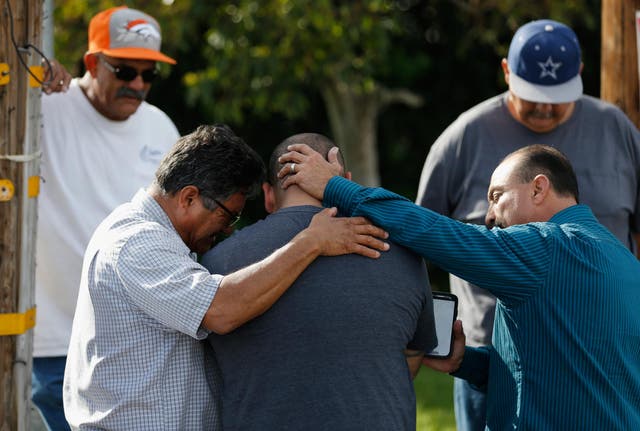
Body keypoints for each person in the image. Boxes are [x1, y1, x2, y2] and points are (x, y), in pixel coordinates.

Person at [277, 143, 640, 430]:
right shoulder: (624, 261)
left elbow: (439, 234)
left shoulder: (546, 247)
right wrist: (466, 363)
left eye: (497, 196)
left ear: (539, 188)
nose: (489, 215)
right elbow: (569, 370)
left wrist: (336, 187)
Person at [63, 124, 389, 429]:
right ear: (189, 197)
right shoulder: (138, 244)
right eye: (227, 215)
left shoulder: (150, 233)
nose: (229, 229)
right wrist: (311, 241)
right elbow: (221, 310)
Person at [414, 18, 640, 431]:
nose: (543, 107)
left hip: (600, 360)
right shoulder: (462, 137)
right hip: (488, 350)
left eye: (556, 96)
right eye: (532, 94)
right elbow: (429, 234)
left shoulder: (618, 130)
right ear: (505, 72)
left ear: (580, 75)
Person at [200, 133, 437, 430]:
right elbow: (413, 353)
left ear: (268, 194)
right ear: (346, 181)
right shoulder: (400, 254)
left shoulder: (218, 264)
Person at [33, 6, 180, 430]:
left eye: (148, 75)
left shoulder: (161, 129)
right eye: (124, 70)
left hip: (132, 344)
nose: (137, 85)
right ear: (92, 63)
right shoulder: (39, 108)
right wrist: (23, 83)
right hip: (52, 342)